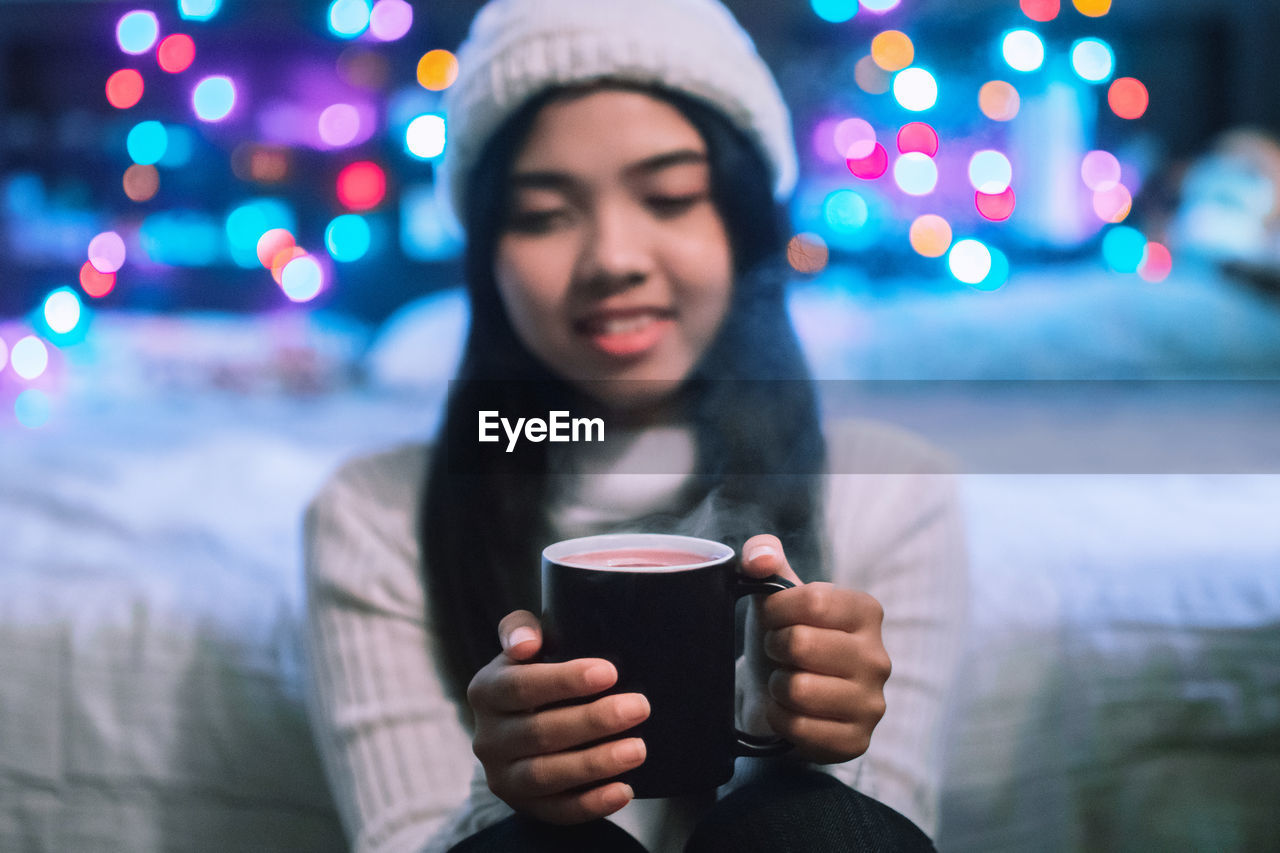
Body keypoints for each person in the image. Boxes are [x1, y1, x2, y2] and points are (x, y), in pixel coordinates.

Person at [302, 0, 968, 850]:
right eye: (544, 214)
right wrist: (508, 787)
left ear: (740, 225)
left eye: (671, 196)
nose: (613, 257)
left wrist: (811, 743)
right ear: (486, 257)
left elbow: (888, 826)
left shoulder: (891, 491)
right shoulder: (376, 513)